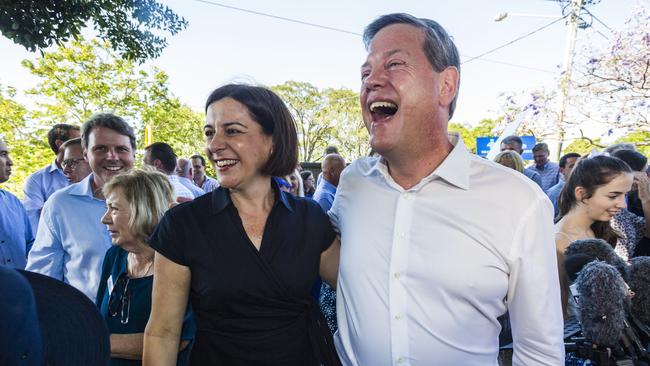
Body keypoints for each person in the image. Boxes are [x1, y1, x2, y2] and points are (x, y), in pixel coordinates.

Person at [330, 13, 563, 365]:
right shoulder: (352, 184)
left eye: (394, 64)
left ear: (446, 85)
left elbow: (539, 353)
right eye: (365, 73)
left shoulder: (520, 202)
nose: (372, 81)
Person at [143, 84, 341, 365]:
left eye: (232, 131)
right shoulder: (183, 225)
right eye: (210, 132)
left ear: (272, 140)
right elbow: (162, 333)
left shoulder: (310, 219)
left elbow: (358, 289)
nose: (213, 145)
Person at [26, 113, 136, 300]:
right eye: (100, 148)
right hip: (85, 322)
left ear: (134, 153)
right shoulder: (60, 205)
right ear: (86, 154)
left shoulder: (158, 200)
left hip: (150, 322)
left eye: (121, 149)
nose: (112, 156)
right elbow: (43, 276)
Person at [97, 169, 195, 365]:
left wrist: (97, 342)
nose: (104, 218)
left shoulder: (180, 262)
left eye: (114, 209)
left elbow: (179, 339)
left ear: (144, 210)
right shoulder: (114, 256)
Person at [555, 155, 633, 317]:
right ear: (582, 194)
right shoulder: (559, 241)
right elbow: (559, 311)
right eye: (613, 196)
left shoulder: (596, 229)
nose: (622, 204)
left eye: (624, 195)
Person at [23, 123, 80, 234]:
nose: (84, 144)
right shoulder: (37, 180)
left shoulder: (92, 173)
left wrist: (50, 211)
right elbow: (34, 223)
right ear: (60, 144)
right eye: (77, 140)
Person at [312, 153, 346, 334]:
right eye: (343, 168)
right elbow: (328, 238)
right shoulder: (325, 197)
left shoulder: (331, 193)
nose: (345, 172)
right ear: (332, 171)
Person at [609, 149, 650, 260]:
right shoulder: (610, 207)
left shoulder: (633, 196)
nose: (646, 177)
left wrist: (646, 198)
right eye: (644, 171)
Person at [0, 138, 34, 269]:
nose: (10, 162)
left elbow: (30, 246)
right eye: (3, 154)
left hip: (19, 286)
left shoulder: (14, 203)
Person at [546, 152, 581, 218]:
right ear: (562, 170)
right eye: (572, 166)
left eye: (579, 165)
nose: (577, 168)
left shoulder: (587, 189)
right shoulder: (554, 193)